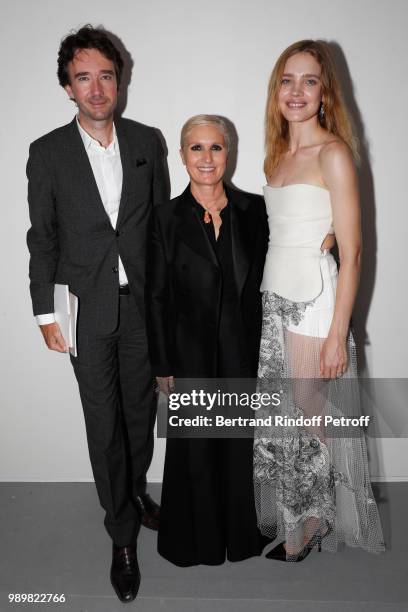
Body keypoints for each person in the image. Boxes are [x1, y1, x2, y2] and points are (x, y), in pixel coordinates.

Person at [26, 25, 168, 602]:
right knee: (103, 422)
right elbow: (43, 238)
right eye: (83, 77)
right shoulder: (47, 152)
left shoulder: (147, 141)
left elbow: (163, 226)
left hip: (143, 310)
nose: (96, 87)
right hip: (85, 310)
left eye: (105, 75)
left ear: (119, 80)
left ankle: (134, 489)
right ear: (68, 87)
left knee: (140, 414)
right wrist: (45, 314)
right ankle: (122, 536)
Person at [254, 40, 384, 561]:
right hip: (274, 302)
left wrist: (338, 336)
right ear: (276, 90)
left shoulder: (333, 153)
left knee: (311, 416)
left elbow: (352, 253)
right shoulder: (277, 154)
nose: (297, 91)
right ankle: (299, 514)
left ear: (325, 92)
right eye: (288, 80)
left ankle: (313, 519)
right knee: (283, 415)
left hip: (314, 305)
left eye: (309, 81)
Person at [146, 114, 270, 566]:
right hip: (190, 355)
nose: (206, 157)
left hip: (243, 350)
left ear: (229, 153)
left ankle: (242, 539)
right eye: (196, 148)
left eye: (215, 147)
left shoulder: (256, 210)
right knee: (195, 451)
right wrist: (162, 365)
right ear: (182, 156)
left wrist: (329, 237)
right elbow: (155, 296)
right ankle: (194, 542)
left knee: (239, 449)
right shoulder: (163, 218)